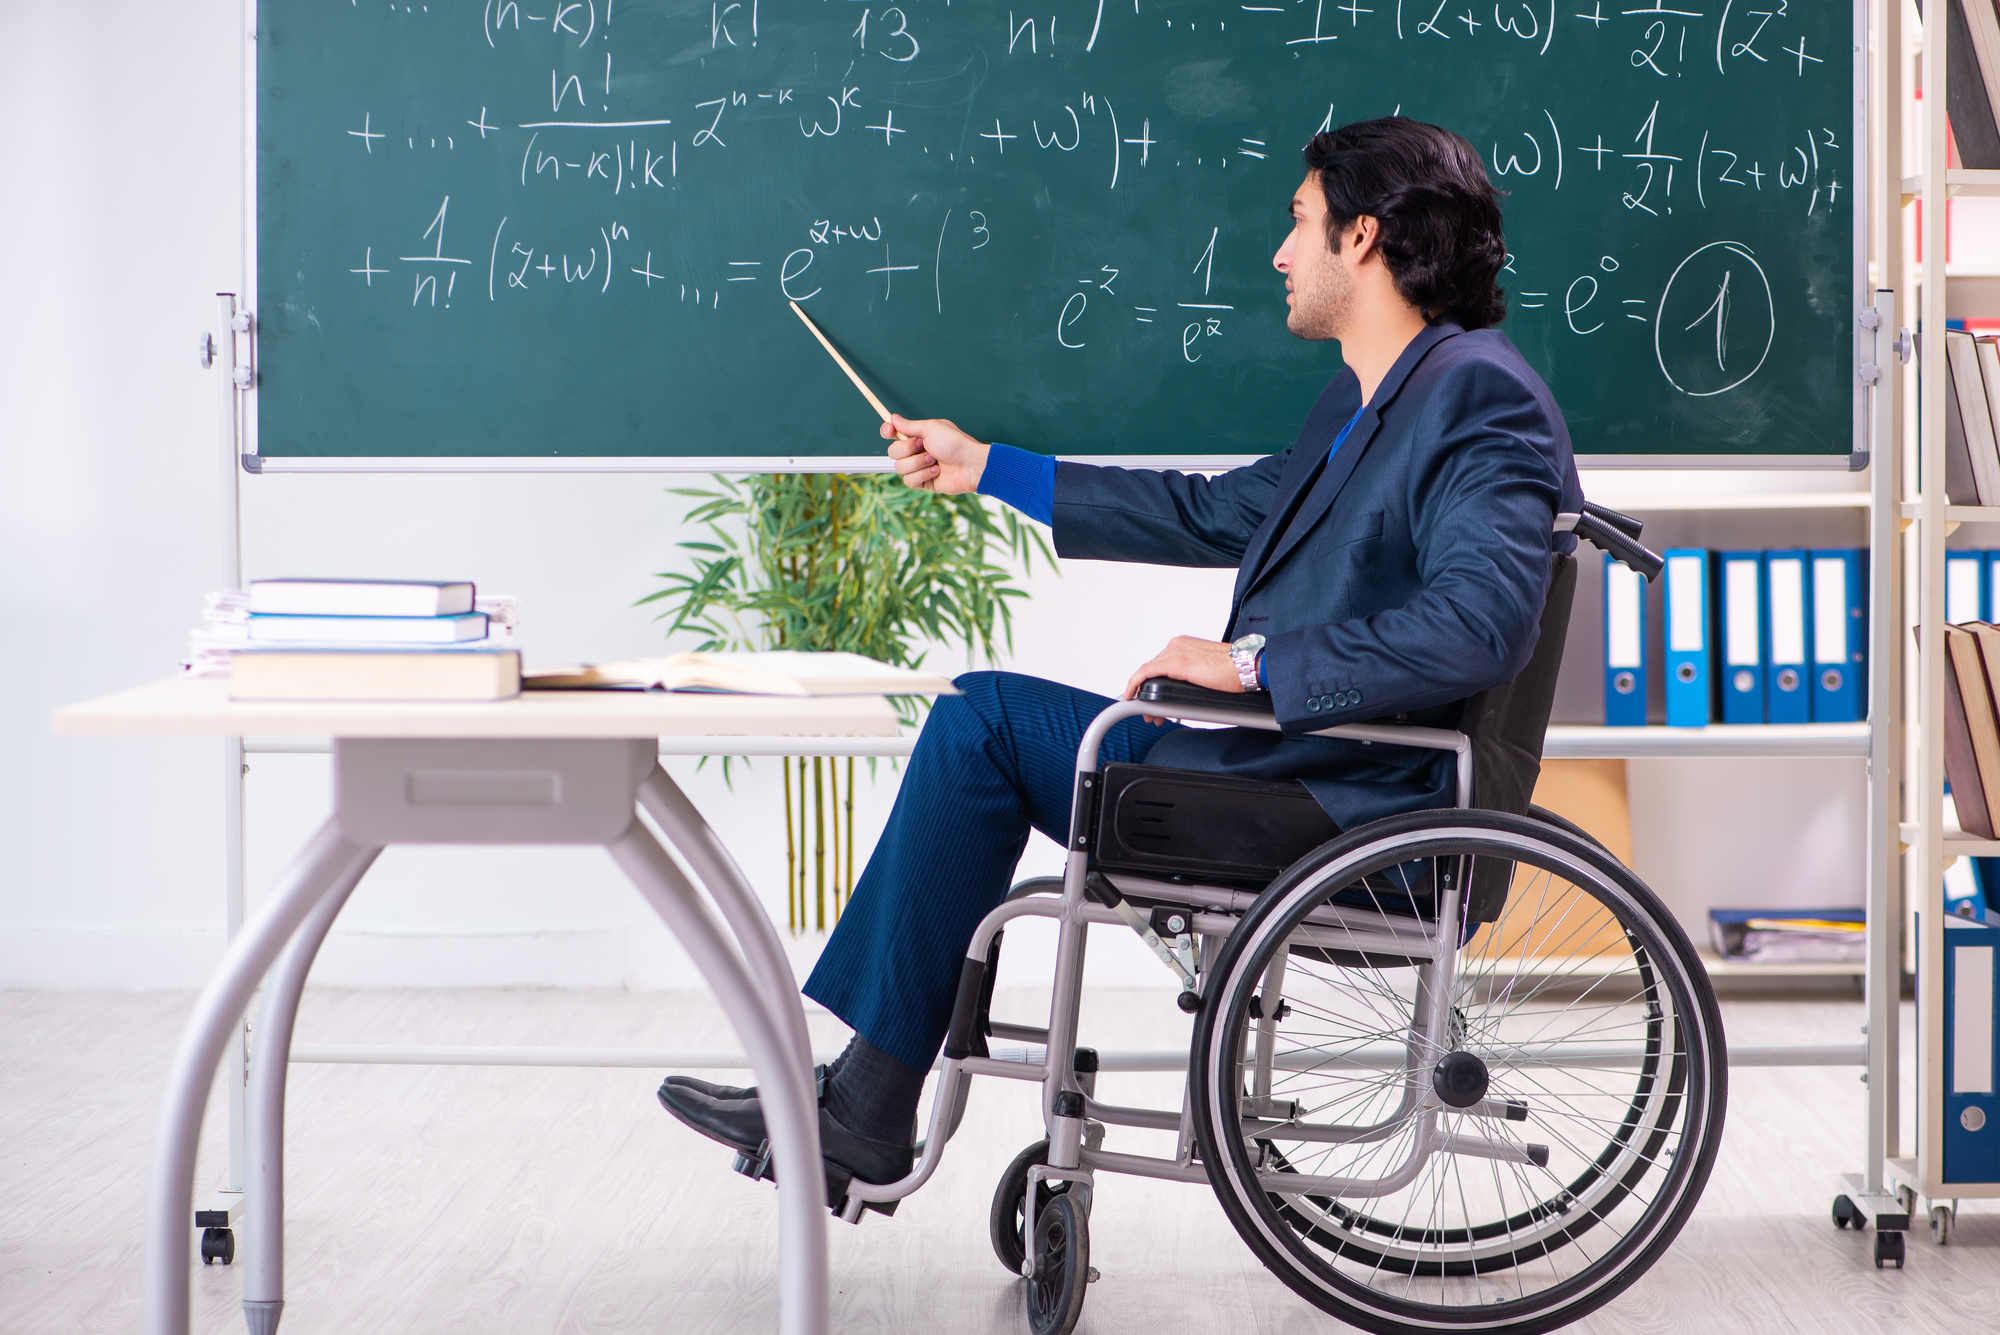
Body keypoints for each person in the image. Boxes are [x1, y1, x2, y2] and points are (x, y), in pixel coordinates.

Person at [657, 116, 1585, 1194]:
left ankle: (864, 1104)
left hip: (1341, 803)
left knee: (984, 722)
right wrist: (986, 468)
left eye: (1297, 225)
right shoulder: (1370, 395)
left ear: (1362, 237)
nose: (1279, 255)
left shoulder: (1478, 395)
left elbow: (1478, 624)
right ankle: (863, 1097)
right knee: (987, 721)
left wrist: (1248, 668)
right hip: (1287, 771)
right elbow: (1210, 513)